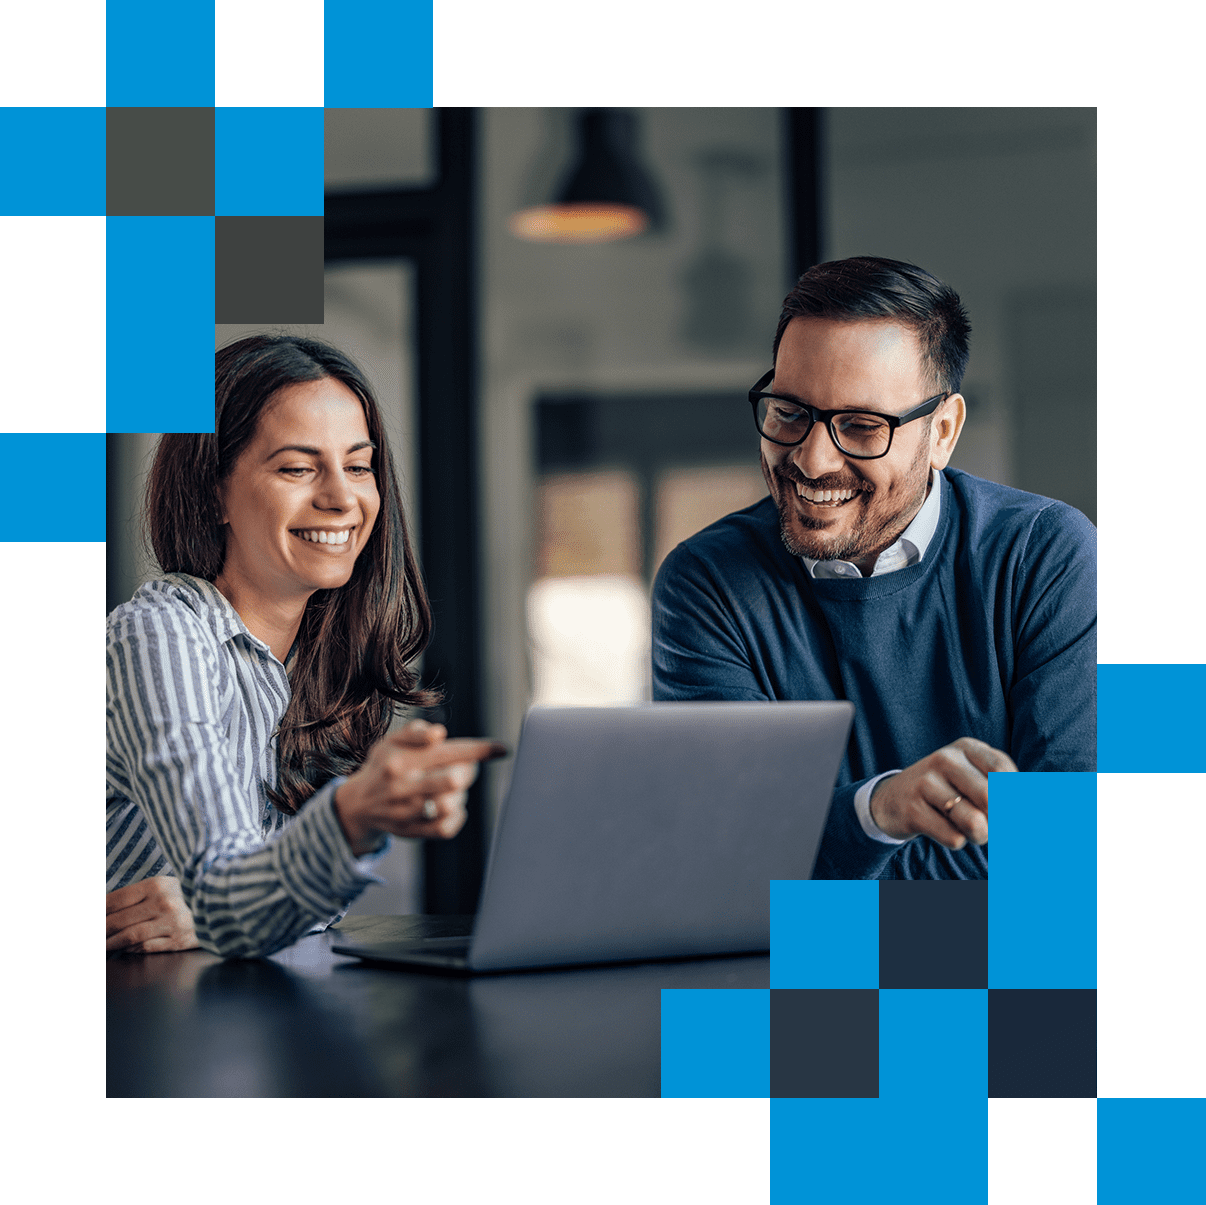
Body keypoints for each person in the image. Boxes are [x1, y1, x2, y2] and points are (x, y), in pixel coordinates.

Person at [651, 257, 1096, 879]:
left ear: (943, 432)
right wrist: (879, 810)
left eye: (861, 426)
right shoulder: (707, 583)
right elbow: (734, 859)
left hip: (1006, 970)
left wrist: (823, 849)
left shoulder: (1047, 554)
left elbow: (1071, 854)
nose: (810, 459)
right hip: (804, 969)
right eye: (788, 412)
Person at [106, 335, 505, 957]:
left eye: (358, 465)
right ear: (214, 492)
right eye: (297, 467)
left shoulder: (322, 660)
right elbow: (234, 905)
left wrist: (218, 910)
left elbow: (270, 908)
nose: (342, 499)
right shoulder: (160, 635)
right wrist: (349, 819)